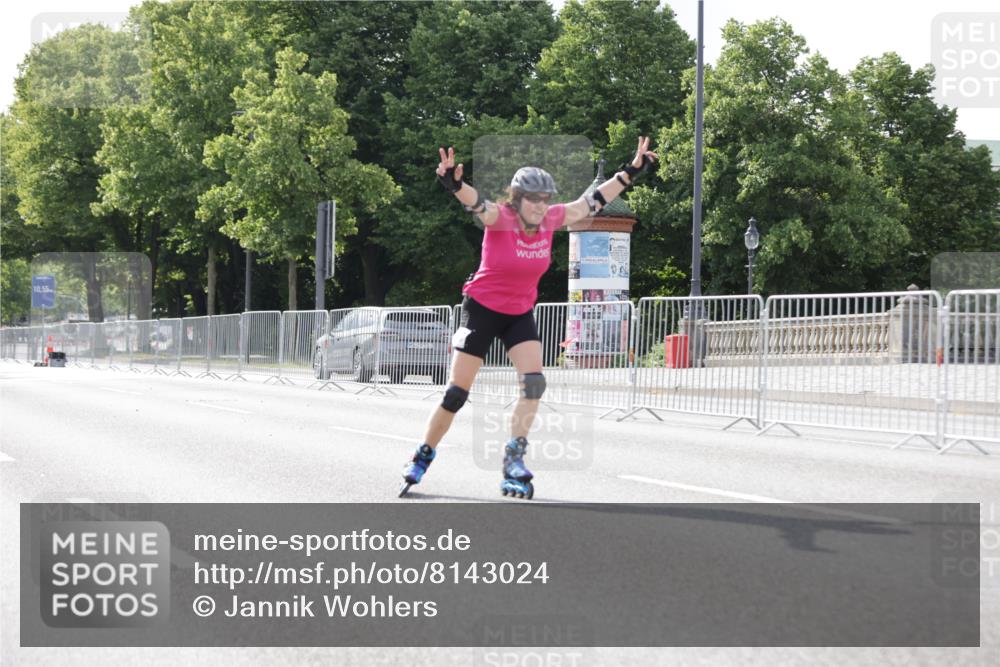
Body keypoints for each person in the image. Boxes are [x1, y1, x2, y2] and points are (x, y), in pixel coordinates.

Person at [398, 137, 658, 499]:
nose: (540, 206)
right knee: (456, 394)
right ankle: (422, 455)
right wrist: (455, 185)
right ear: (517, 200)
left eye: (545, 199)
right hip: (482, 309)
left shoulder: (552, 218)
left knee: (534, 383)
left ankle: (513, 458)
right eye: (533, 200)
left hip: (519, 312)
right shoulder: (501, 218)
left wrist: (630, 171)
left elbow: (592, 201)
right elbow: (477, 204)